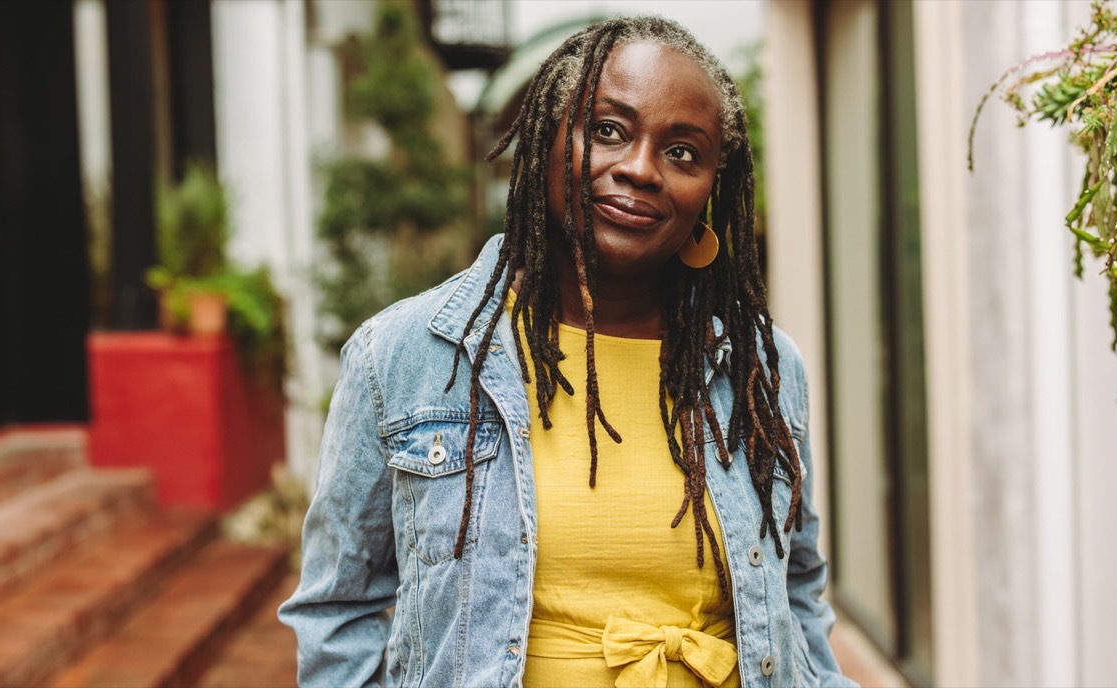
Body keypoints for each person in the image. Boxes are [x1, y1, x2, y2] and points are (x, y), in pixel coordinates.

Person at [279, 16, 855, 688]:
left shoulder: (761, 367)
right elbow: (338, 610)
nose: (640, 169)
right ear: (544, 140)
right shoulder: (407, 356)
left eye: (682, 153)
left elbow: (799, 593)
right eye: (608, 130)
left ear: (710, 192)